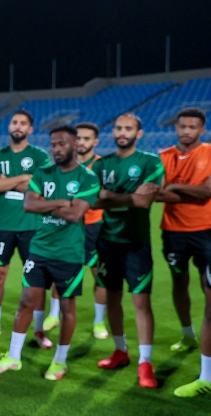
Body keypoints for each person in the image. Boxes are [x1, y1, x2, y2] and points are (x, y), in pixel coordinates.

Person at [0, 125, 99, 380]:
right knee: (27, 300)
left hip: (69, 252)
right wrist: (61, 202)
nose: (56, 149)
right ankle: (13, 357)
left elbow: (75, 214)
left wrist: (45, 205)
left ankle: (60, 361)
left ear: (75, 145)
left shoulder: (87, 177)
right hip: (39, 249)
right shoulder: (43, 172)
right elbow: (29, 204)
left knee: (67, 308)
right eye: (53, 144)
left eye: (62, 144)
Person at [92, 113, 164, 389]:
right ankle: (120, 350)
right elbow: (92, 201)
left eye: (128, 128)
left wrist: (109, 195)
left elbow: (145, 202)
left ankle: (145, 362)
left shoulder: (150, 161)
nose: (122, 133)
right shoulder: (102, 164)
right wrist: (128, 197)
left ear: (139, 133)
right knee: (112, 299)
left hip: (136, 244)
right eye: (118, 128)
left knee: (141, 303)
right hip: (107, 242)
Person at [0, 110, 52, 348]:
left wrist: (6, 181)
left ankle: (38, 330)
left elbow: (41, 188)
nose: (18, 126)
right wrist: (22, 178)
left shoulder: (39, 156)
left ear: (30, 129)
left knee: (36, 279)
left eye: (23, 123)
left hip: (32, 226)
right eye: (14, 122)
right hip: (2, 225)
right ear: (9, 127)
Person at [153, 108, 211, 397]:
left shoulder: (209, 153)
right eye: (183, 126)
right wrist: (191, 190)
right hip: (173, 232)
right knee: (179, 282)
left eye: (192, 126)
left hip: (206, 231)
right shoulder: (163, 157)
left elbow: (208, 192)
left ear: (202, 130)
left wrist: (174, 186)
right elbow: (156, 192)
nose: (187, 131)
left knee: (208, 290)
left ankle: (206, 369)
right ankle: (187, 334)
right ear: (175, 128)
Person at [72, 121, 110, 340]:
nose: (81, 142)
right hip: (70, 225)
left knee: (100, 274)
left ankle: (99, 321)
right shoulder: (66, 165)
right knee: (63, 271)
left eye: (86, 139)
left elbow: (105, 195)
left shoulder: (102, 166)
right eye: (78, 138)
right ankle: (54, 315)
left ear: (95, 142)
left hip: (95, 226)